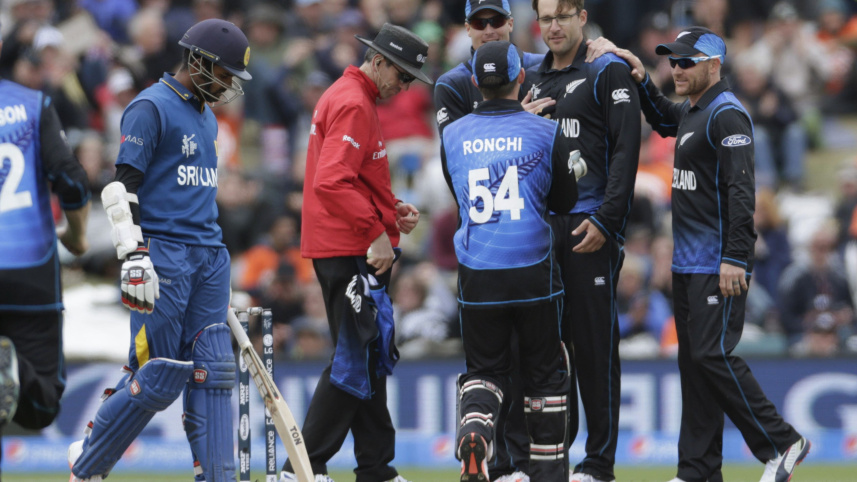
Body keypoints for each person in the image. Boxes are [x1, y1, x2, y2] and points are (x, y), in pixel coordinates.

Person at [608, 26, 810, 482]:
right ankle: (698, 469)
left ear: (713, 64)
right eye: (672, 61)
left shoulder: (726, 114)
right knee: (694, 366)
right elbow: (663, 120)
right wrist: (642, 80)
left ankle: (782, 441)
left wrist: (736, 256)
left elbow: (742, 193)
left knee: (710, 356)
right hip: (688, 263)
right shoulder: (696, 111)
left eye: (686, 61)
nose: (676, 69)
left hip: (719, 262)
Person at [67, 18, 252, 482]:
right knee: (160, 375)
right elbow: (120, 189)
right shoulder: (150, 106)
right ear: (197, 61)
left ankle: (218, 477)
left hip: (209, 254)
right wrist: (133, 255)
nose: (228, 84)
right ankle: (86, 465)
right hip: (162, 254)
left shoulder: (208, 116)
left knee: (214, 372)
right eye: (224, 73)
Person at [277, 23, 431, 482]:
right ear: (378, 60)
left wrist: (388, 211)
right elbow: (331, 181)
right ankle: (301, 469)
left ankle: (376, 468)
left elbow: (349, 176)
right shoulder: (353, 101)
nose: (403, 87)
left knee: (370, 354)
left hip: (349, 243)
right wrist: (374, 231)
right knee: (356, 353)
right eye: (401, 75)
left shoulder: (351, 97)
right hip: (348, 249)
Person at [441, 40, 581, 482]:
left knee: (485, 372)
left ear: (475, 84)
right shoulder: (543, 131)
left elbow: (459, 197)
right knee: (545, 376)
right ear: (521, 78)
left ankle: (476, 432)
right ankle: (546, 473)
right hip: (533, 270)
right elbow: (564, 200)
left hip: (478, 273)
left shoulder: (452, 134)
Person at [526, 1, 641, 481]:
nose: (553, 26)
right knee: (546, 354)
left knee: (594, 350)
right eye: (546, 17)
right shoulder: (530, 78)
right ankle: (554, 458)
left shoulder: (606, 69)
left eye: (562, 16)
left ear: (581, 16)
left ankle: (599, 464)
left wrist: (608, 221)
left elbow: (627, 148)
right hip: (538, 231)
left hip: (587, 226)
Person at [0, 21, 91, 475]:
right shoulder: (33, 105)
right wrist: (76, 236)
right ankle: (11, 367)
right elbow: (72, 182)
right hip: (29, 267)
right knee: (42, 405)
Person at [434, 0, 554, 136]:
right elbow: (452, 150)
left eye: (496, 22)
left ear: (510, 24)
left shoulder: (544, 66)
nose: (489, 31)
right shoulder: (452, 84)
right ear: (468, 29)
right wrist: (516, 120)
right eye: (479, 24)